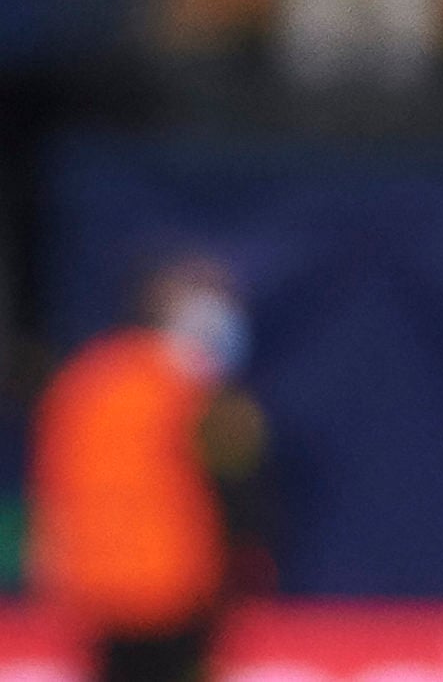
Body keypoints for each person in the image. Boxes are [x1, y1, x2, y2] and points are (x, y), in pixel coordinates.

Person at [27, 258, 267, 682]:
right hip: (172, 584)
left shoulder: (82, 378)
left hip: (93, 586)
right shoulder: (186, 387)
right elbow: (233, 484)